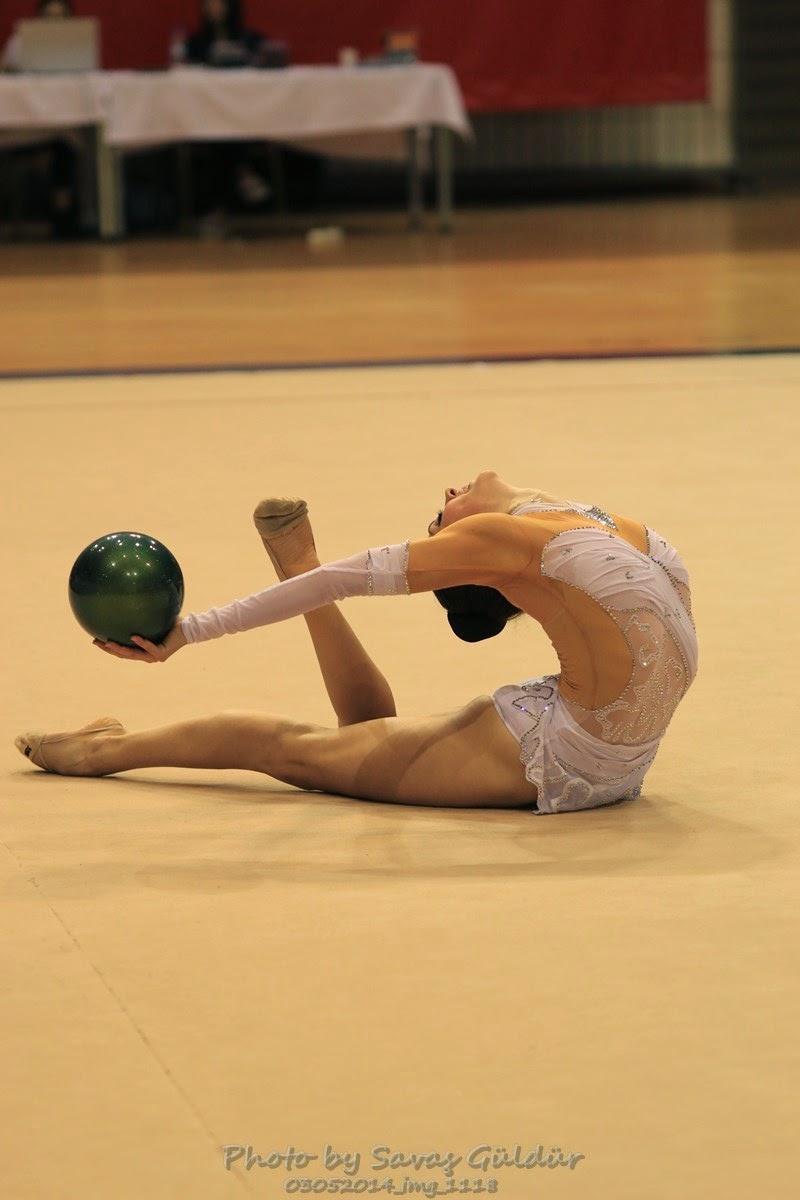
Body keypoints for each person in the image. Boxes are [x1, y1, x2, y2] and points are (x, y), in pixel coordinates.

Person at [15, 473, 698, 813]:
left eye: (439, 517)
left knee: (332, 751)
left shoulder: (548, 530)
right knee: (327, 754)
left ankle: (105, 749)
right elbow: (666, 650)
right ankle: (109, 749)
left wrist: (190, 632)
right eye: (442, 516)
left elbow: (342, 581)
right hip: (581, 745)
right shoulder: (601, 530)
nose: (450, 491)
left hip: (579, 754)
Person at [1, 0, 81, 237]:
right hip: (16, 128)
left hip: (59, 130)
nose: (54, 22)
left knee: (65, 146)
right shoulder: (20, 43)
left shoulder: (77, 45)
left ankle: (63, 215)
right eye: (49, 16)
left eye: (61, 17)